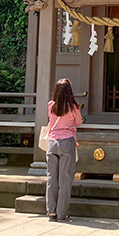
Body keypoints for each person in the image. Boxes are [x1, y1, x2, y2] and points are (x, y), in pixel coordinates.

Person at [45, 78, 83, 222]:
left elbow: (51, 119)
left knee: (51, 178)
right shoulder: (73, 107)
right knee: (65, 179)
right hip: (67, 142)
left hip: (52, 143)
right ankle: (62, 214)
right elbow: (78, 122)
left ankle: (51, 212)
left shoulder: (51, 105)